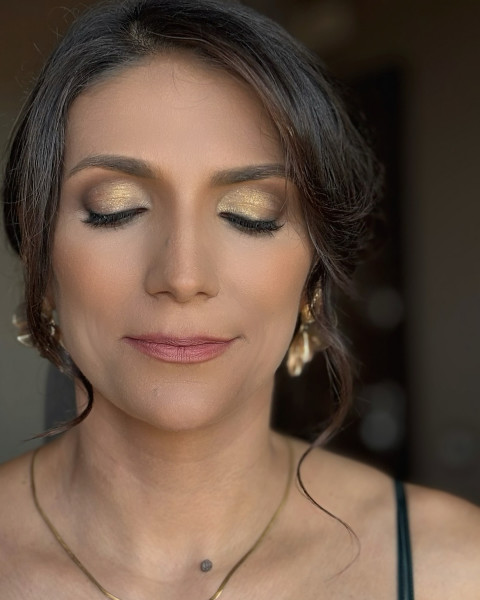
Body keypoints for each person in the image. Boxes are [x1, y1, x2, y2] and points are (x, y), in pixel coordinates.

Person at [0, 1, 479, 598]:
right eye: (115, 208)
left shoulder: (455, 571)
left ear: (313, 278)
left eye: (250, 214)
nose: (183, 275)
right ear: (41, 260)